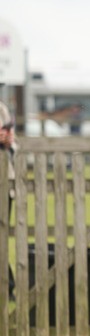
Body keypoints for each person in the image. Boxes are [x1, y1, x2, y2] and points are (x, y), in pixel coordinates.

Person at [1, 100, 17, 301]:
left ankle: (8, 285)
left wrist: (9, 141)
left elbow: (15, 145)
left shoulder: (2, 109)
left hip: (4, 183)